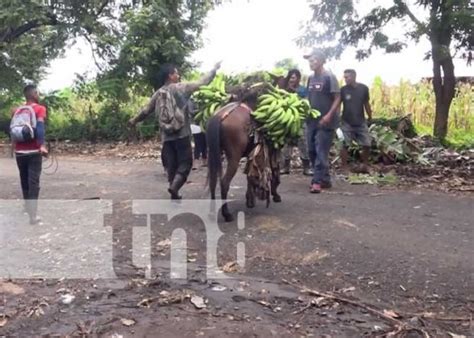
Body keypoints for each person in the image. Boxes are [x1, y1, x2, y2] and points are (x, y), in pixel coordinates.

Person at [128, 62, 221, 199]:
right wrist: (214, 69)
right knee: (186, 163)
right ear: (170, 76)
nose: (178, 75)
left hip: (166, 137)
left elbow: (146, 111)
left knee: (171, 164)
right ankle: (175, 187)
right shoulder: (182, 88)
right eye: (176, 73)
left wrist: (134, 120)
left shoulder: (158, 93)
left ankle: (174, 191)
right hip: (182, 134)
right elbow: (202, 82)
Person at [304, 49, 341, 194]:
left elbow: (338, 97)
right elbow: (309, 96)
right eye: (309, 61)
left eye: (313, 61)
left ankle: (317, 182)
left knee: (321, 151)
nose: (311, 63)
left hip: (326, 121)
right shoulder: (310, 78)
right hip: (311, 120)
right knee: (311, 150)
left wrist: (328, 115)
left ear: (321, 61)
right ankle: (325, 179)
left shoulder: (329, 77)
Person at [12, 84, 48, 224]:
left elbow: (14, 130)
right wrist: (42, 146)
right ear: (34, 94)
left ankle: (28, 206)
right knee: (34, 182)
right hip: (33, 151)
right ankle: (33, 216)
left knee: (24, 180)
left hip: (19, 152)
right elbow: (39, 127)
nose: (38, 95)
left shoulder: (18, 110)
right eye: (37, 93)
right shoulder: (40, 109)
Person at [279, 69, 312, 176]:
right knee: (286, 145)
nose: (291, 80)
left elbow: (306, 102)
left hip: (300, 120)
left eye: (293, 77)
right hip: (287, 119)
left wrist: (294, 91)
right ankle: (285, 167)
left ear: (298, 78)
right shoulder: (284, 90)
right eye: (290, 78)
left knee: (303, 144)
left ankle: (306, 168)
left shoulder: (303, 90)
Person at [340, 69, 373, 173]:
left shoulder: (363, 88)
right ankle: (345, 167)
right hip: (346, 121)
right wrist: (336, 116)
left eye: (347, 77)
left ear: (354, 76)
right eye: (344, 77)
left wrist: (370, 116)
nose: (345, 79)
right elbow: (338, 103)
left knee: (367, 144)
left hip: (360, 121)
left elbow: (366, 103)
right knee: (344, 144)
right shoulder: (343, 90)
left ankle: (365, 165)